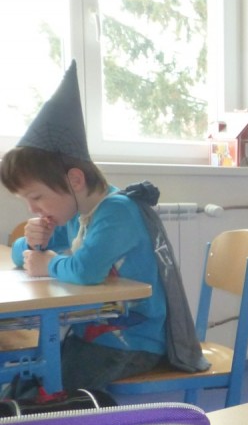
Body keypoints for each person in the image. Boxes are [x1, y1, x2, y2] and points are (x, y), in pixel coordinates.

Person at [1, 61, 171, 391]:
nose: (33, 209)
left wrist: (47, 262)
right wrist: (33, 242)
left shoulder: (117, 212)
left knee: (44, 394)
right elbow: (22, 257)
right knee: (23, 386)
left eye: (37, 197)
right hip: (90, 337)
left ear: (75, 180)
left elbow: (85, 271)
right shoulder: (75, 215)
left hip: (133, 342)